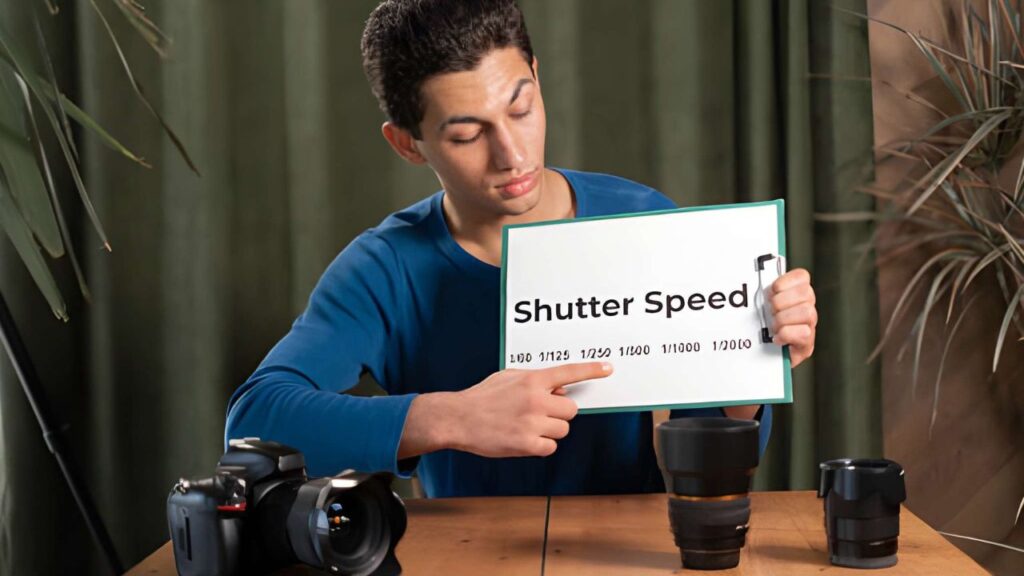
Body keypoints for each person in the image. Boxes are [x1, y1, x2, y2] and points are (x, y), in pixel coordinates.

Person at [224, 0, 818, 497]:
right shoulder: (386, 267)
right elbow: (254, 418)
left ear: (537, 75)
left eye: (521, 107)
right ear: (408, 144)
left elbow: (710, 461)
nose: (512, 155)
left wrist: (748, 375)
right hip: (465, 554)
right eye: (466, 133)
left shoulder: (642, 219)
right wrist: (451, 418)